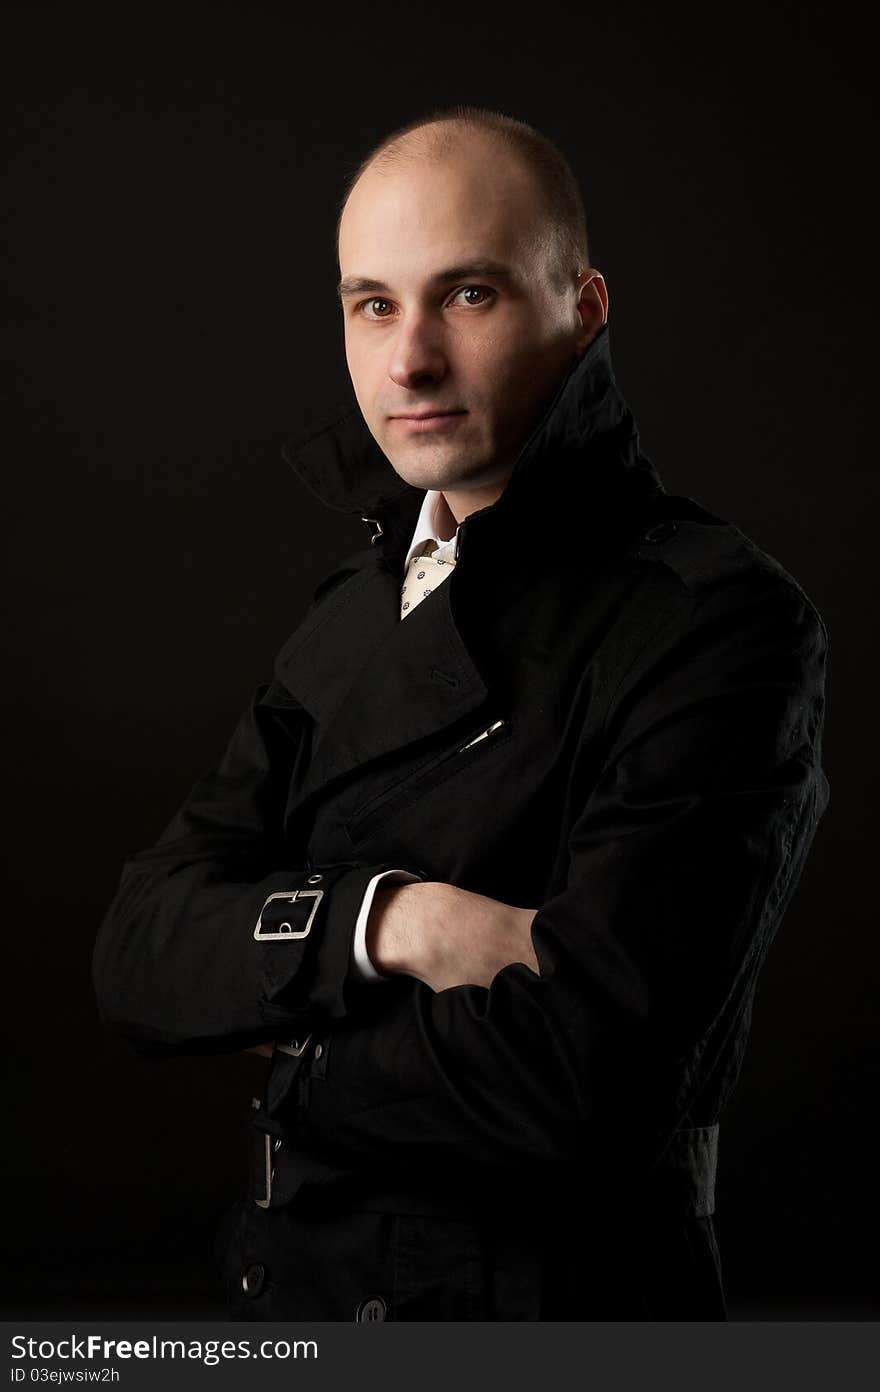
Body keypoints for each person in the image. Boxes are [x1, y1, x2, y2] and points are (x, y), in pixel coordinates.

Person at [92, 104, 831, 1321]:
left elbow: (579, 1077)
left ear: (582, 310)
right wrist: (395, 923)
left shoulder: (716, 622)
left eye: (468, 296)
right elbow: (138, 951)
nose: (408, 361)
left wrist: (279, 1034)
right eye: (372, 304)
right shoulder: (348, 613)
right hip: (288, 1296)